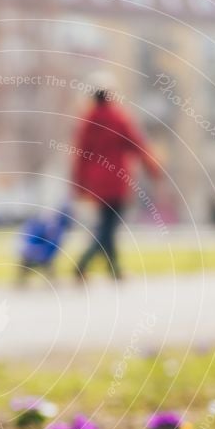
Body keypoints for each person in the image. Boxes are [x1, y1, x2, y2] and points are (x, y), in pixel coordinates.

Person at [71, 72, 160, 281]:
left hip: (96, 182)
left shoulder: (87, 121)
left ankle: (114, 270)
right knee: (108, 227)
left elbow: (80, 156)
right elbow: (138, 145)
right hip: (117, 180)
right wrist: (153, 167)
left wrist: (79, 184)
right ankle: (82, 264)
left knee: (106, 224)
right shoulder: (120, 118)